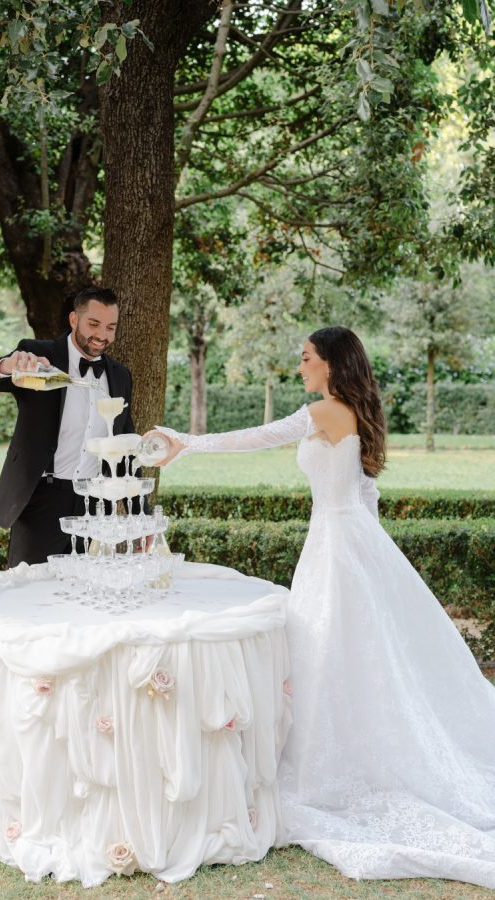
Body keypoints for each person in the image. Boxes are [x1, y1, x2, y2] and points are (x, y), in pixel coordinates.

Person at [147, 326, 495, 889]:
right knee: (342, 648)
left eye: (308, 358)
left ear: (331, 363)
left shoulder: (324, 411)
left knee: (325, 645)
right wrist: (374, 555)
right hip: (345, 539)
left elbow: (259, 437)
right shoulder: (352, 411)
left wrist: (187, 442)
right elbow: (365, 493)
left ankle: (324, 767)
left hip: (337, 546)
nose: (301, 366)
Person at [0, 287, 142, 567]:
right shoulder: (37, 356)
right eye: (94, 324)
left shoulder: (120, 375)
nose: (102, 335)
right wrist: (7, 366)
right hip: (41, 500)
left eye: (110, 327)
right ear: (74, 320)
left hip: (96, 507)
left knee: (90, 586)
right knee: (30, 588)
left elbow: (125, 445)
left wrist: (139, 514)